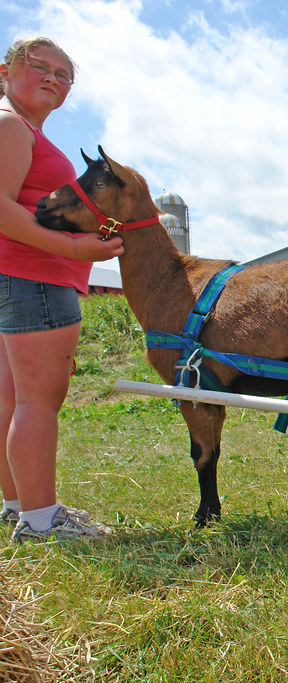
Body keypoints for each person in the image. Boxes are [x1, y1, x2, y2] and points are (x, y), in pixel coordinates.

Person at [0, 37, 124, 541]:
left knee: (12, 399)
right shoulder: (11, 125)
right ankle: (41, 520)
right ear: (6, 70)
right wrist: (74, 248)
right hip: (36, 276)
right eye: (39, 66)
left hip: (16, 275)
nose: (53, 77)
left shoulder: (19, 127)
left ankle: (19, 505)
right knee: (38, 400)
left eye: (64, 74)